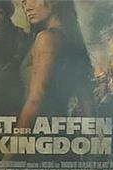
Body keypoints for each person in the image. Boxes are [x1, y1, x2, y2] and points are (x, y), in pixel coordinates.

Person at [16, 0, 93, 128]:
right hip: (58, 132)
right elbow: (86, 100)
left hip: (38, 132)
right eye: (24, 2)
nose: (27, 8)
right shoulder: (71, 39)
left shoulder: (46, 39)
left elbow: (36, 99)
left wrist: (16, 141)